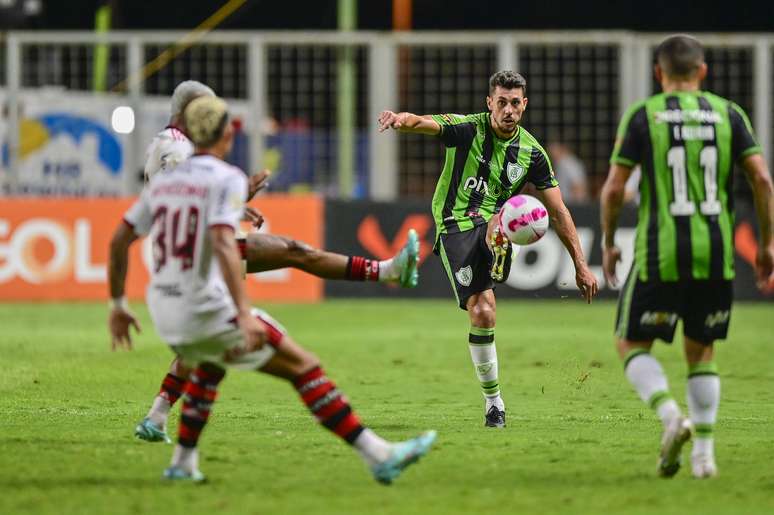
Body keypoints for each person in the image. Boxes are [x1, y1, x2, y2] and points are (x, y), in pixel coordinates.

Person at [108, 95, 436, 483]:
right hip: (204, 307)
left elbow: (118, 241)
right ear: (227, 134)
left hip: (164, 311)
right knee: (304, 366)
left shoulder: (161, 186)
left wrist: (117, 305)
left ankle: (181, 461)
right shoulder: (224, 177)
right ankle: (377, 454)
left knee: (210, 364)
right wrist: (244, 312)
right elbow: (224, 244)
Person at [378, 70, 599, 428]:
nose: (508, 110)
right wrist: (400, 121)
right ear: (489, 103)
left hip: (492, 221)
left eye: (515, 103)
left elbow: (559, 212)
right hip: (454, 224)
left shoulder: (533, 153)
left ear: (524, 105)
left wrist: (581, 265)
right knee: (482, 303)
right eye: (501, 102)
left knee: (485, 312)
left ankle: (494, 406)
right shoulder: (469, 128)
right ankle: (498, 245)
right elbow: (425, 122)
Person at [600, 34, 774, 479]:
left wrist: (608, 240)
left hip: (662, 251)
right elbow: (762, 181)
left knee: (630, 343)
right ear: (702, 71)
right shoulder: (729, 113)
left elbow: (616, 187)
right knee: (702, 351)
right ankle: (704, 458)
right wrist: (769, 242)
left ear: (659, 74)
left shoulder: (644, 116)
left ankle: (671, 416)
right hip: (716, 252)